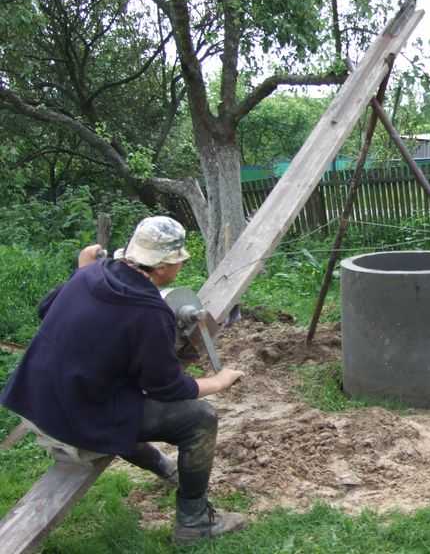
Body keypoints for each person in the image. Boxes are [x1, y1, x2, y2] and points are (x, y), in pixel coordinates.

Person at [0, 216, 247, 544]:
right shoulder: (149, 312)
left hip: (35, 399)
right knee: (200, 419)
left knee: (124, 397)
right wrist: (219, 381)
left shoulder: (90, 274)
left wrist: (81, 269)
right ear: (162, 268)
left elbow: (46, 308)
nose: (182, 266)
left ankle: (162, 467)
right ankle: (195, 521)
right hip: (74, 419)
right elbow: (169, 388)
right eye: (179, 261)